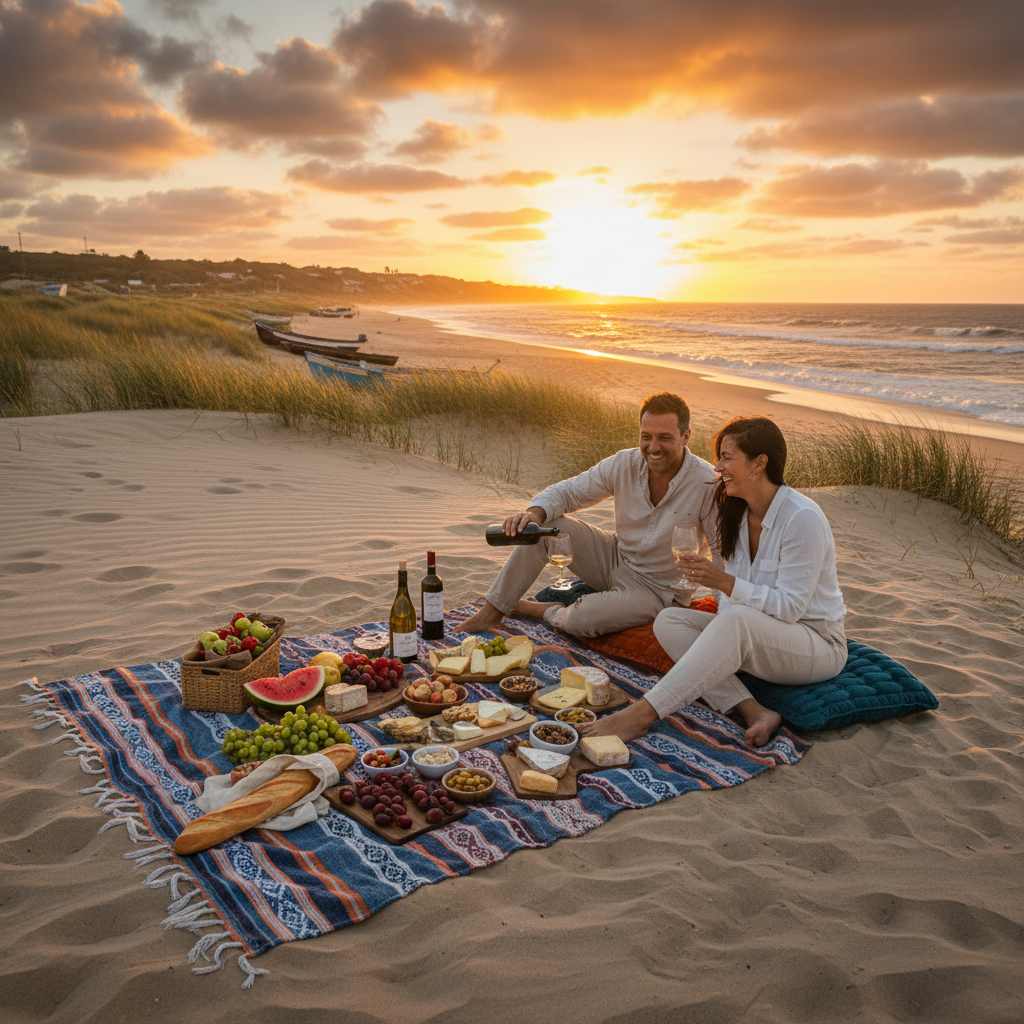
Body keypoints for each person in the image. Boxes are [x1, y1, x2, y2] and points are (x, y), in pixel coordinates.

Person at [581, 415, 847, 748]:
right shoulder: (735, 512)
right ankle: (753, 711)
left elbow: (791, 608)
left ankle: (642, 714)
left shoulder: (801, 517)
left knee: (735, 619)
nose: (717, 467)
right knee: (670, 621)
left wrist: (724, 583)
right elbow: (732, 605)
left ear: (759, 463)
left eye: (726, 457)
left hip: (816, 642)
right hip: (757, 633)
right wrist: (719, 587)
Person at [459, 392, 718, 639]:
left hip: (657, 590)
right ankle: (492, 612)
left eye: (664, 437)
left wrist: (727, 612)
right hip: (615, 557)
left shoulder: (707, 483)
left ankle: (536, 609)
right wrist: (534, 513)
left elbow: (722, 554)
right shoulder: (623, 463)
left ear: (686, 436)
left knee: (581, 621)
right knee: (546, 527)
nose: (653, 447)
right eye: (646, 437)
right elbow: (570, 491)